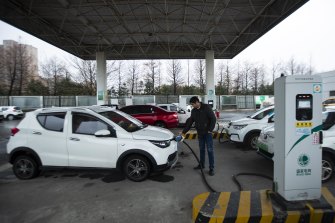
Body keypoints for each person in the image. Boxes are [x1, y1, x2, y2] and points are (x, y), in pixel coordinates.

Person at [181, 96, 217, 176]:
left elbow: (213, 119)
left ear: (197, 102)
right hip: (200, 133)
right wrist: (183, 132)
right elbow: (190, 122)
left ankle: (211, 168)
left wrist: (210, 129)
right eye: (191, 104)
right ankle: (202, 164)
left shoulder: (206, 107)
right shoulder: (194, 111)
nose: (192, 106)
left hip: (207, 133)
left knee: (210, 150)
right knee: (201, 149)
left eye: (193, 104)